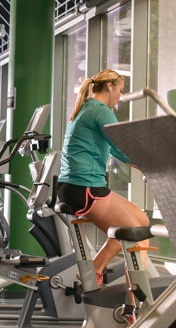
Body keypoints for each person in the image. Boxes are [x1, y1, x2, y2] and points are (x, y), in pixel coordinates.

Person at [57, 68, 150, 287]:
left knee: (143, 223)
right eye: (120, 90)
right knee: (134, 232)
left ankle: (99, 272)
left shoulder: (86, 108)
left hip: (77, 186)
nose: (120, 96)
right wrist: (151, 163)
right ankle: (135, 307)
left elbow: (116, 150)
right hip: (85, 188)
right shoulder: (100, 110)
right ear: (109, 87)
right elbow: (122, 145)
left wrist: (144, 165)